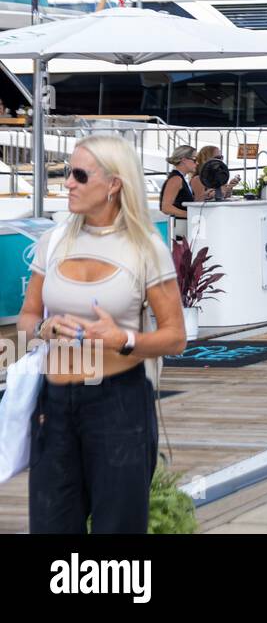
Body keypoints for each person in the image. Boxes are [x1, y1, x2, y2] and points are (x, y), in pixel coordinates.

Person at [19, 134, 187, 533]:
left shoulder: (145, 247)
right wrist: (44, 328)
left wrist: (125, 340)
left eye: (79, 174)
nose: (68, 184)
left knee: (119, 530)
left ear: (114, 184)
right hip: (54, 404)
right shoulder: (53, 240)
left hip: (119, 404)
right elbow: (26, 319)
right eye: (66, 173)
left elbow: (176, 337)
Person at [159, 144, 198, 223]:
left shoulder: (180, 178)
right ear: (183, 160)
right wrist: (190, 214)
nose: (197, 163)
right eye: (194, 159)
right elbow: (166, 208)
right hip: (178, 228)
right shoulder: (176, 179)